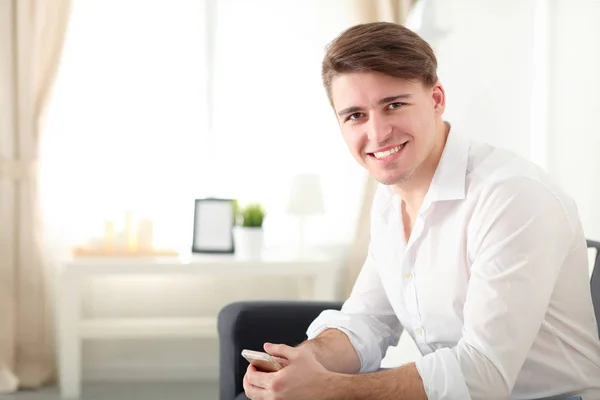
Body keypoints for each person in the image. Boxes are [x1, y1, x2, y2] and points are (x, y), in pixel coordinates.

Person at [242, 21, 600, 400]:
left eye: (393, 105)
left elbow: (482, 376)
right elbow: (366, 322)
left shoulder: (512, 197)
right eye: (355, 116)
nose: (378, 134)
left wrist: (330, 388)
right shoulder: (390, 199)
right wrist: (303, 362)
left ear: (437, 98)